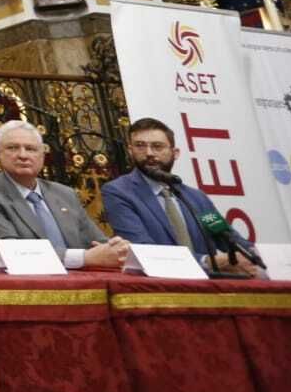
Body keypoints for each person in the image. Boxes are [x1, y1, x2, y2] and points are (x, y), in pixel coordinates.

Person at [101, 116, 262, 276]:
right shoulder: (119, 192)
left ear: (175, 153)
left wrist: (252, 255)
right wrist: (209, 262)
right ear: (130, 151)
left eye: (157, 146)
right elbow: (144, 251)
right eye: (140, 146)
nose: (149, 153)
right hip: (159, 285)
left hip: (211, 286)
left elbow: (227, 237)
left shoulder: (196, 198)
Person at [0, 120, 130, 269]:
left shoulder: (64, 193)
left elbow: (96, 241)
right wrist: (84, 258)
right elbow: (13, 252)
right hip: (32, 282)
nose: (23, 155)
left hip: (82, 279)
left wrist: (115, 248)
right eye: (13, 148)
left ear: (42, 156)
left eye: (31, 149)